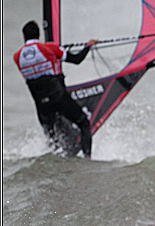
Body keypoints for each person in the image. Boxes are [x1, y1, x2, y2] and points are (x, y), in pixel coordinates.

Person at [13, 20, 97, 158]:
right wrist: (88, 46)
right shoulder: (49, 48)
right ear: (39, 34)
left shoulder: (17, 57)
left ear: (24, 36)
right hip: (59, 99)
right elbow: (76, 59)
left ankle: (58, 162)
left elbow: (36, 68)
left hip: (41, 107)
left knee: (52, 139)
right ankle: (87, 160)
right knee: (84, 124)